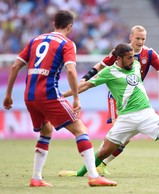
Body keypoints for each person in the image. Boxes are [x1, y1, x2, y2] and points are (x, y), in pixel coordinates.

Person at [59, 43, 159, 178]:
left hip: (147, 114)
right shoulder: (109, 72)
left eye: (133, 57)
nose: (132, 60)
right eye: (129, 58)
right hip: (125, 119)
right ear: (118, 58)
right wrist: (64, 94)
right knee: (102, 152)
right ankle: (79, 173)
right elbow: (86, 85)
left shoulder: (137, 64)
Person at [2, 10, 117, 187]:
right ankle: (94, 176)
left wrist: (8, 94)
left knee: (46, 131)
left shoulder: (35, 40)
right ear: (70, 26)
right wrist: (76, 98)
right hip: (48, 93)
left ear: (54, 23)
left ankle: (36, 178)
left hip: (29, 95)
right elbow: (71, 70)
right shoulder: (67, 43)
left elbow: (16, 65)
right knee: (80, 129)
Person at [59, 25, 159, 177]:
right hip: (116, 98)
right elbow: (101, 65)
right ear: (131, 37)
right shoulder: (120, 52)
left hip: (135, 98)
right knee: (117, 136)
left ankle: (102, 164)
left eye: (143, 39)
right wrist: (86, 78)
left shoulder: (149, 54)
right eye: (137, 38)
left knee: (125, 139)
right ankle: (94, 165)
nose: (140, 42)